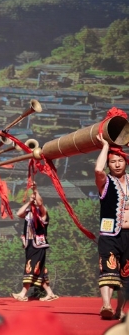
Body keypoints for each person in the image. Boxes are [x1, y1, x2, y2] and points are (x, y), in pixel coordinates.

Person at [95, 134, 129, 320]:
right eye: (113, 162)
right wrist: (106, 146)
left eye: (120, 161)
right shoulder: (105, 182)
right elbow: (98, 169)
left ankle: (119, 309)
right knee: (108, 269)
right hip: (110, 234)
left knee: (126, 274)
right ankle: (106, 305)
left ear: (126, 162)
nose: (117, 164)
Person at [11, 181, 58, 302]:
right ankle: (50, 293)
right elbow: (19, 213)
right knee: (39, 269)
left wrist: (35, 191)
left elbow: (41, 203)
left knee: (31, 267)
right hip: (29, 243)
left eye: (36, 201)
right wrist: (29, 202)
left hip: (38, 244)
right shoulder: (29, 213)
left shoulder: (43, 214)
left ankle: (23, 293)